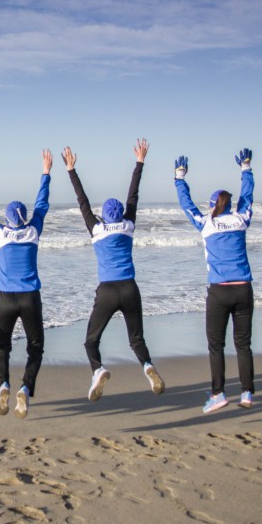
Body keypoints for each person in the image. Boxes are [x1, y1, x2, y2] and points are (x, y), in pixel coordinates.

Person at [62, 140, 165, 402]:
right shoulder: (128, 225)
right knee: (136, 340)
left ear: (103, 216)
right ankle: (148, 366)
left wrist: (71, 170)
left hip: (107, 291)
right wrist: (139, 162)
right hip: (130, 288)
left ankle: (98, 370)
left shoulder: (96, 229)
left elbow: (82, 201)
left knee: (90, 342)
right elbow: (133, 195)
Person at [174, 148, 256, 413]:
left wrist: (179, 178)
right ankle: (246, 393)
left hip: (219, 292)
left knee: (216, 346)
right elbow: (247, 196)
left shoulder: (206, 223)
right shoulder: (241, 219)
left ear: (212, 206)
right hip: (243, 290)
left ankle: (218, 394)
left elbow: (186, 205)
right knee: (243, 344)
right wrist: (246, 168)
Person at [0, 150, 51, 419]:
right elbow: (42, 204)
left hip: (6, 298)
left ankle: (3, 384)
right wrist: (46, 172)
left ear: (7, 219)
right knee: (36, 347)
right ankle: (26, 388)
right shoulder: (33, 231)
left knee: (1, 346)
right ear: (25, 218)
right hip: (30, 297)